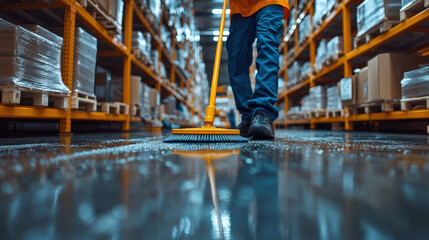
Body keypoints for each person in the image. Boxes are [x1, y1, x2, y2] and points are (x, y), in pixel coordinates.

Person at [227, 0, 290, 140]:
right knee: (236, 58)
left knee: (266, 49)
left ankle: (263, 113)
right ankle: (248, 116)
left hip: (270, 2)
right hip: (240, 7)